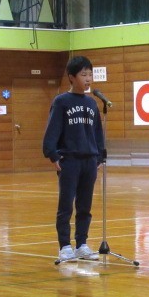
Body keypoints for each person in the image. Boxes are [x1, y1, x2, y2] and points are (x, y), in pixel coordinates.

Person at [43, 56, 106, 262]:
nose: (88, 79)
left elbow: (97, 132)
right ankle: (65, 246)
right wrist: (53, 154)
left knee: (85, 206)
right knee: (66, 205)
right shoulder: (61, 102)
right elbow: (52, 130)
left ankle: (81, 244)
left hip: (89, 161)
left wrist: (99, 155)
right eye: (83, 74)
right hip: (69, 160)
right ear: (71, 77)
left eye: (90, 75)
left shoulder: (92, 103)